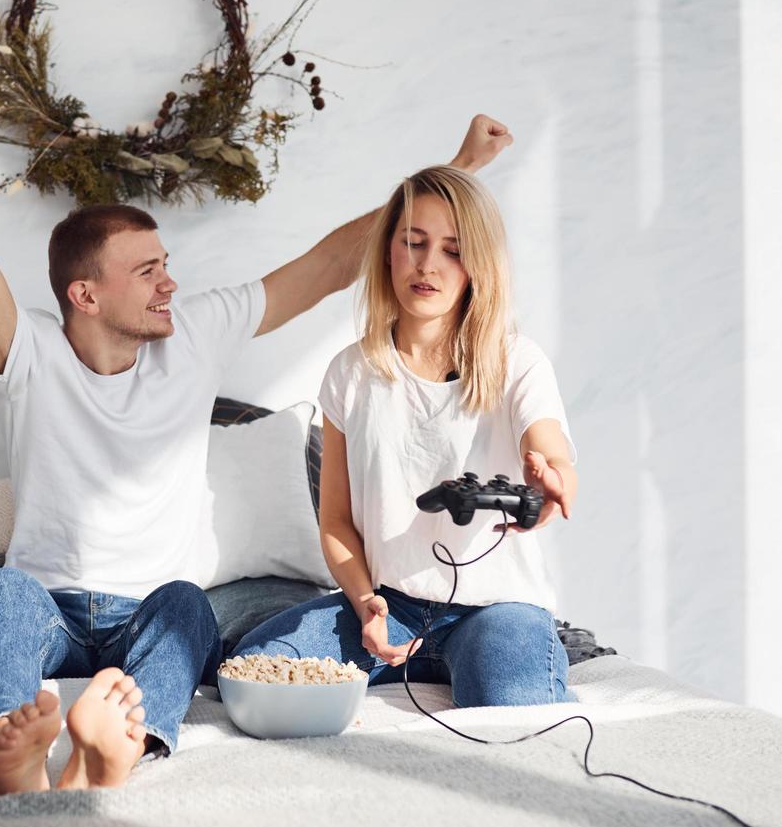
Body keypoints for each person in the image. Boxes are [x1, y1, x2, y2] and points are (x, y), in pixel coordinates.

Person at [0, 18, 514, 793]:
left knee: (189, 607)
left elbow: (332, 264)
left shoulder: (193, 334)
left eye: (167, 265)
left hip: (151, 614)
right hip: (51, 613)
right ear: (86, 294)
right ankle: (7, 744)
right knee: (5, 589)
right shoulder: (28, 353)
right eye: (147, 272)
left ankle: (119, 752)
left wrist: (457, 173)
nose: (170, 283)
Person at [232, 163, 579, 709]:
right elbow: (337, 522)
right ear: (389, 250)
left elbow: (553, 460)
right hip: (390, 606)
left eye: (452, 250)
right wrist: (366, 601)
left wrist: (550, 484)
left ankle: (526, 657)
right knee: (253, 672)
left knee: (515, 710)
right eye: (413, 242)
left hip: (498, 608)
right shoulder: (350, 374)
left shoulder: (518, 362)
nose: (427, 265)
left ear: (478, 264)